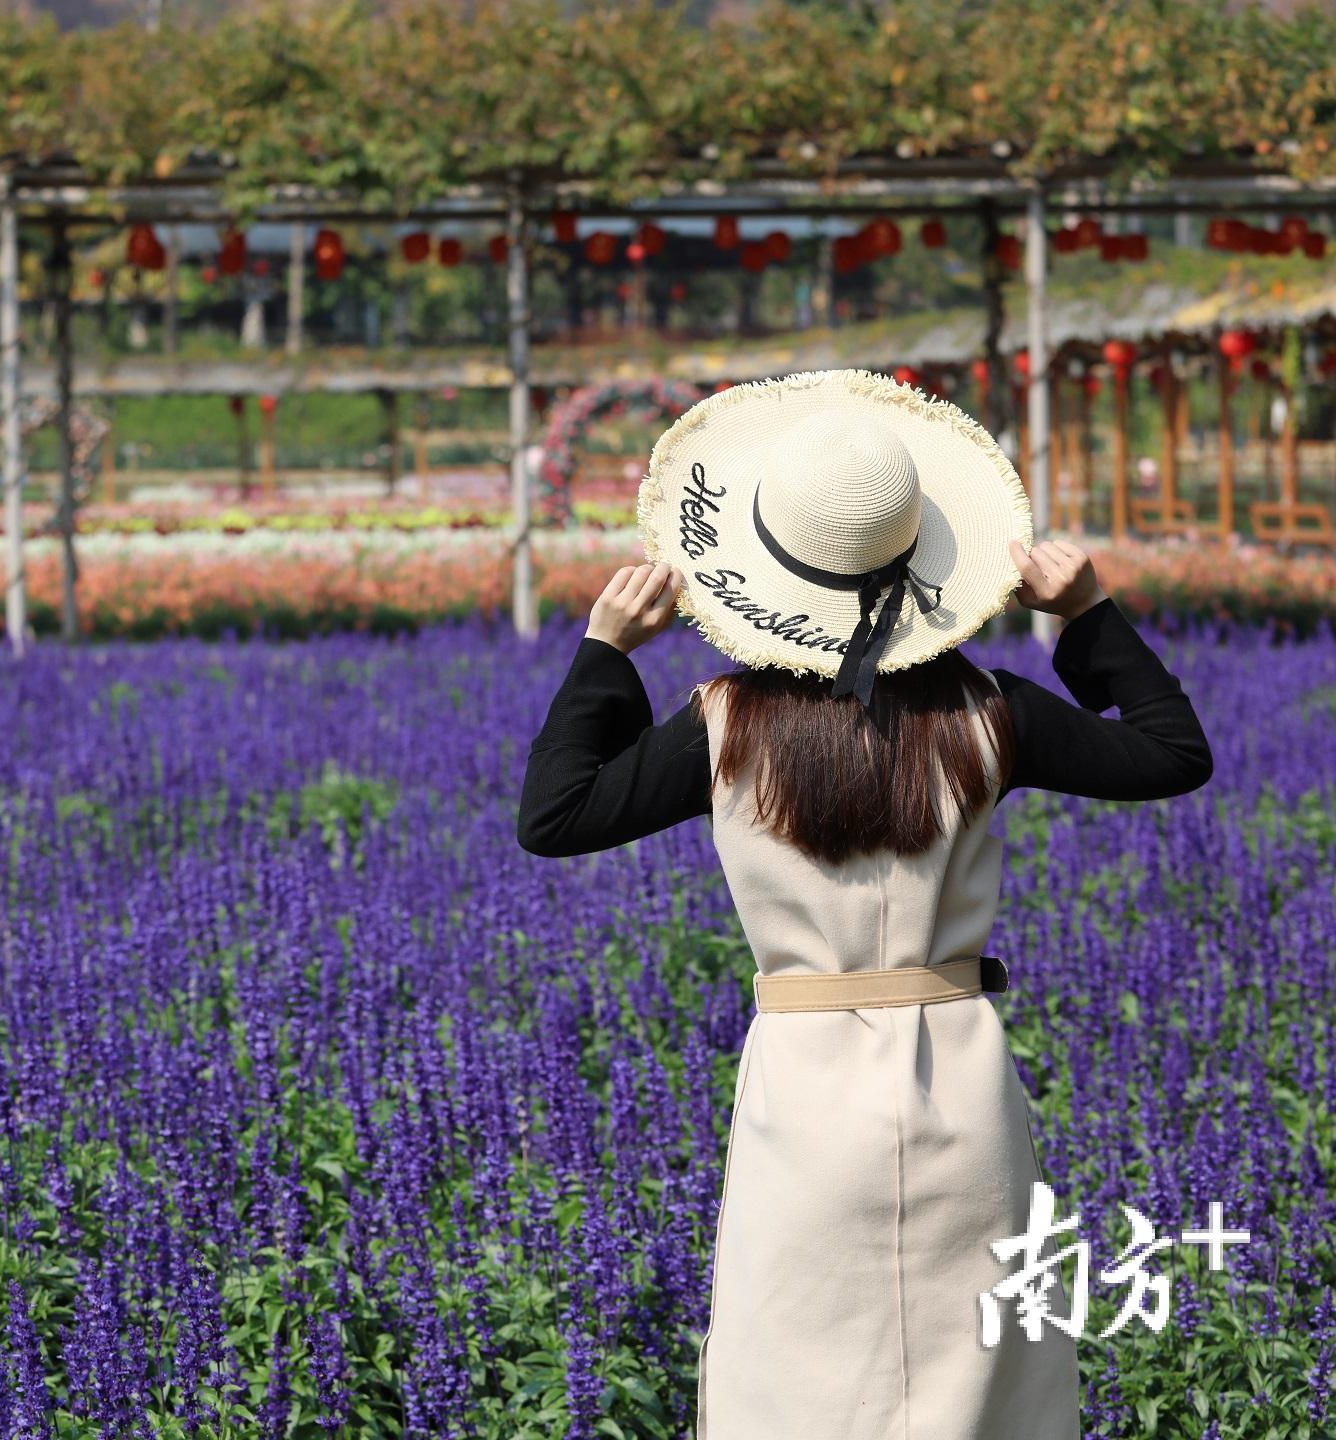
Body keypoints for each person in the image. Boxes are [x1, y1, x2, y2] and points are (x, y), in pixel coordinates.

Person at [516, 370, 1212, 1440]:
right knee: (982, 1387)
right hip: (960, 1084)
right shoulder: (991, 712)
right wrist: (1087, 614)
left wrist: (607, 653)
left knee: (796, 1384)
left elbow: (555, 814)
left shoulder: (725, 723)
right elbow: (1173, 753)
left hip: (804, 1092)